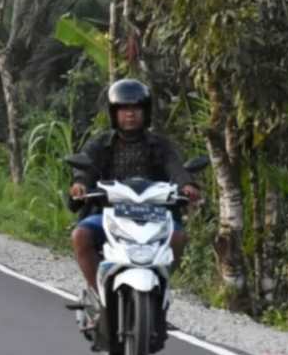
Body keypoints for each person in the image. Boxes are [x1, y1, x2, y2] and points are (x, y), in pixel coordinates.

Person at [68, 79, 201, 314]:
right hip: (109, 214)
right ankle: (99, 296)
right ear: (114, 113)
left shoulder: (160, 145)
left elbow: (176, 167)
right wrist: (79, 184)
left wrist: (187, 185)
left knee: (179, 236)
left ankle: (158, 288)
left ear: (145, 112)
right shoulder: (101, 143)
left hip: (156, 215)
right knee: (81, 235)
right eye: (124, 109)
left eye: (136, 109)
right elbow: (85, 167)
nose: (130, 115)